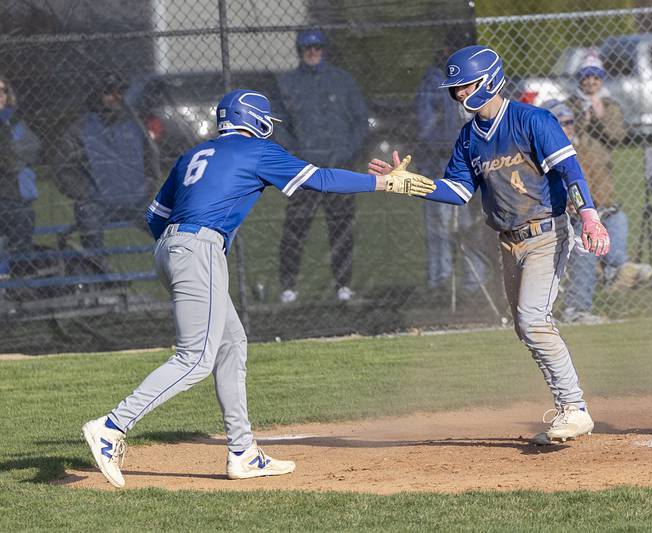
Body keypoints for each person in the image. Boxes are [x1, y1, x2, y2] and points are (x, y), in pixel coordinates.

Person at [81, 89, 435, 488]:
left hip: (170, 248)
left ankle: (243, 452)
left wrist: (182, 243)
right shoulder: (255, 151)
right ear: (256, 120)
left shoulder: (192, 155)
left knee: (231, 343)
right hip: (199, 247)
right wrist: (383, 184)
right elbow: (319, 179)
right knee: (196, 359)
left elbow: (154, 217)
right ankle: (111, 427)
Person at [369, 45, 610, 444]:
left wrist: (589, 215)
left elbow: (569, 168)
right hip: (509, 242)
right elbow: (457, 191)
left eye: (466, 85)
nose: (460, 94)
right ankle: (568, 406)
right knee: (525, 326)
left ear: (489, 80)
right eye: (456, 89)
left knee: (533, 320)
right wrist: (408, 183)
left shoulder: (532, 119)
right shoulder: (469, 138)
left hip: (546, 232)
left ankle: (575, 409)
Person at [276, 29, 369, 304]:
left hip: (338, 168)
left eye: (317, 47)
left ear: (324, 49)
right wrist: (296, 155)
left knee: (341, 228)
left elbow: (360, 121)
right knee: (295, 229)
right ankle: (288, 286)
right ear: (300, 51)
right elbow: (280, 126)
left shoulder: (342, 81)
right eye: (307, 48)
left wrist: (347, 152)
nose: (313, 52)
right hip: (304, 172)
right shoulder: (287, 84)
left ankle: (344, 285)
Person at [544, 101, 652, 324]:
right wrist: (568, 204)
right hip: (558, 217)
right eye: (562, 123)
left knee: (616, 217)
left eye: (571, 122)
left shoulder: (582, 149)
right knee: (586, 243)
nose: (569, 127)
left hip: (586, 211)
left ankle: (619, 267)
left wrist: (593, 207)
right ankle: (576, 310)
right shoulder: (541, 153)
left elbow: (596, 184)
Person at [415, 29, 489, 301]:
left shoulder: (480, 81)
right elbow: (425, 125)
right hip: (440, 166)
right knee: (440, 228)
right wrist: (450, 139)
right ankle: (440, 282)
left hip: (476, 168)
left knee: (473, 227)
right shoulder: (433, 81)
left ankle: (475, 283)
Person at [55, 73, 156, 252]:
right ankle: (100, 273)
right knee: (87, 216)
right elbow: (62, 169)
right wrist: (87, 194)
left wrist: (145, 187)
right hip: (97, 204)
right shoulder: (81, 128)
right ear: (97, 95)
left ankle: (182, 271)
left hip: (138, 201)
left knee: (172, 231)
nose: (116, 97)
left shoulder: (134, 125)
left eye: (121, 92)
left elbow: (152, 158)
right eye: (109, 92)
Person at [0, 75, 41, 280]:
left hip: (16, 195)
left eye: (3, 90)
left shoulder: (15, 123)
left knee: (22, 221)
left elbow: (31, 150)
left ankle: (20, 283)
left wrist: (8, 153)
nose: (0, 96)